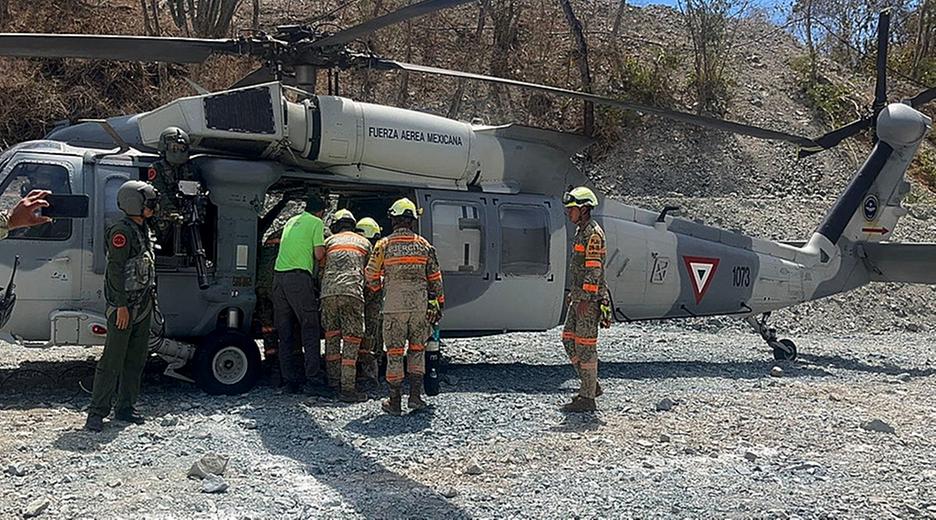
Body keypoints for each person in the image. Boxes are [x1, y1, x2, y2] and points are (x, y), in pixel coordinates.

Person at [86, 181, 160, 431]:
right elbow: (115, 271)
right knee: (112, 360)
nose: (153, 207)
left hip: (143, 304)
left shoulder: (143, 229)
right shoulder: (122, 232)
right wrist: (120, 305)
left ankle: (126, 407)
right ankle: (97, 412)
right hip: (124, 306)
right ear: (134, 204)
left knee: (136, 359)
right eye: (149, 203)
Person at [365, 198, 444, 416]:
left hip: (394, 307)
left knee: (395, 353)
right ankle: (415, 397)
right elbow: (436, 279)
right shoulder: (425, 245)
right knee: (417, 351)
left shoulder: (383, 245)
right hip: (419, 308)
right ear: (412, 221)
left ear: (393, 220)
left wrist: (381, 289)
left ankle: (395, 402)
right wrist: (438, 304)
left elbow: (370, 275)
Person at [560, 186, 612, 413]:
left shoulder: (593, 234)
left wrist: (586, 299)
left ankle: (587, 398)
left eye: (571, 209)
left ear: (583, 209)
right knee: (568, 339)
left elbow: (594, 270)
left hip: (588, 301)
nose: (568, 212)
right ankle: (590, 384)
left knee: (586, 348)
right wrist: (574, 295)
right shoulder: (581, 231)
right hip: (580, 297)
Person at [272, 195, 327, 394]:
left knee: (285, 332)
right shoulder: (316, 222)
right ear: (321, 212)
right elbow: (319, 254)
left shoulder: (291, 220)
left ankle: (289, 382)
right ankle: (314, 381)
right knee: (310, 328)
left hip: (278, 279)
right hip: (298, 278)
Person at [321, 209, 373, 402]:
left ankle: (333, 383)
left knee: (332, 338)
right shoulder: (364, 243)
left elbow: (320, 270)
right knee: (351, 341)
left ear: (335, 226)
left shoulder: (329, 242)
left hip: (328, 295)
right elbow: (371, 274)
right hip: (352, 294)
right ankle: (348, 389)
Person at [147, 127, 196, 251]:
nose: (178, 151)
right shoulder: (157, 168)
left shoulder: (190, 169)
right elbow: (159, 192)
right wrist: (172, 212)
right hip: (165, 217)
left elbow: (197, 190)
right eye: (174, 147)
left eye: (182, 148)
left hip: (186, 216)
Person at [355, 217, 383, 390]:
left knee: (369, 337)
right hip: (371, 301)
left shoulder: (366, 252)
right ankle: (369, 373)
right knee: (371, 337)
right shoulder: (371, 251)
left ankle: (368, 374)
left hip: (370, 301)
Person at [254, 229, 282, 385]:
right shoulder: (294, 237)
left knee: (267, 328)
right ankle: (284, 367)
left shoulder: (272, 237)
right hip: (276, 285)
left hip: (261, 286)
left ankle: (272, 365)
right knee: (287, 325)